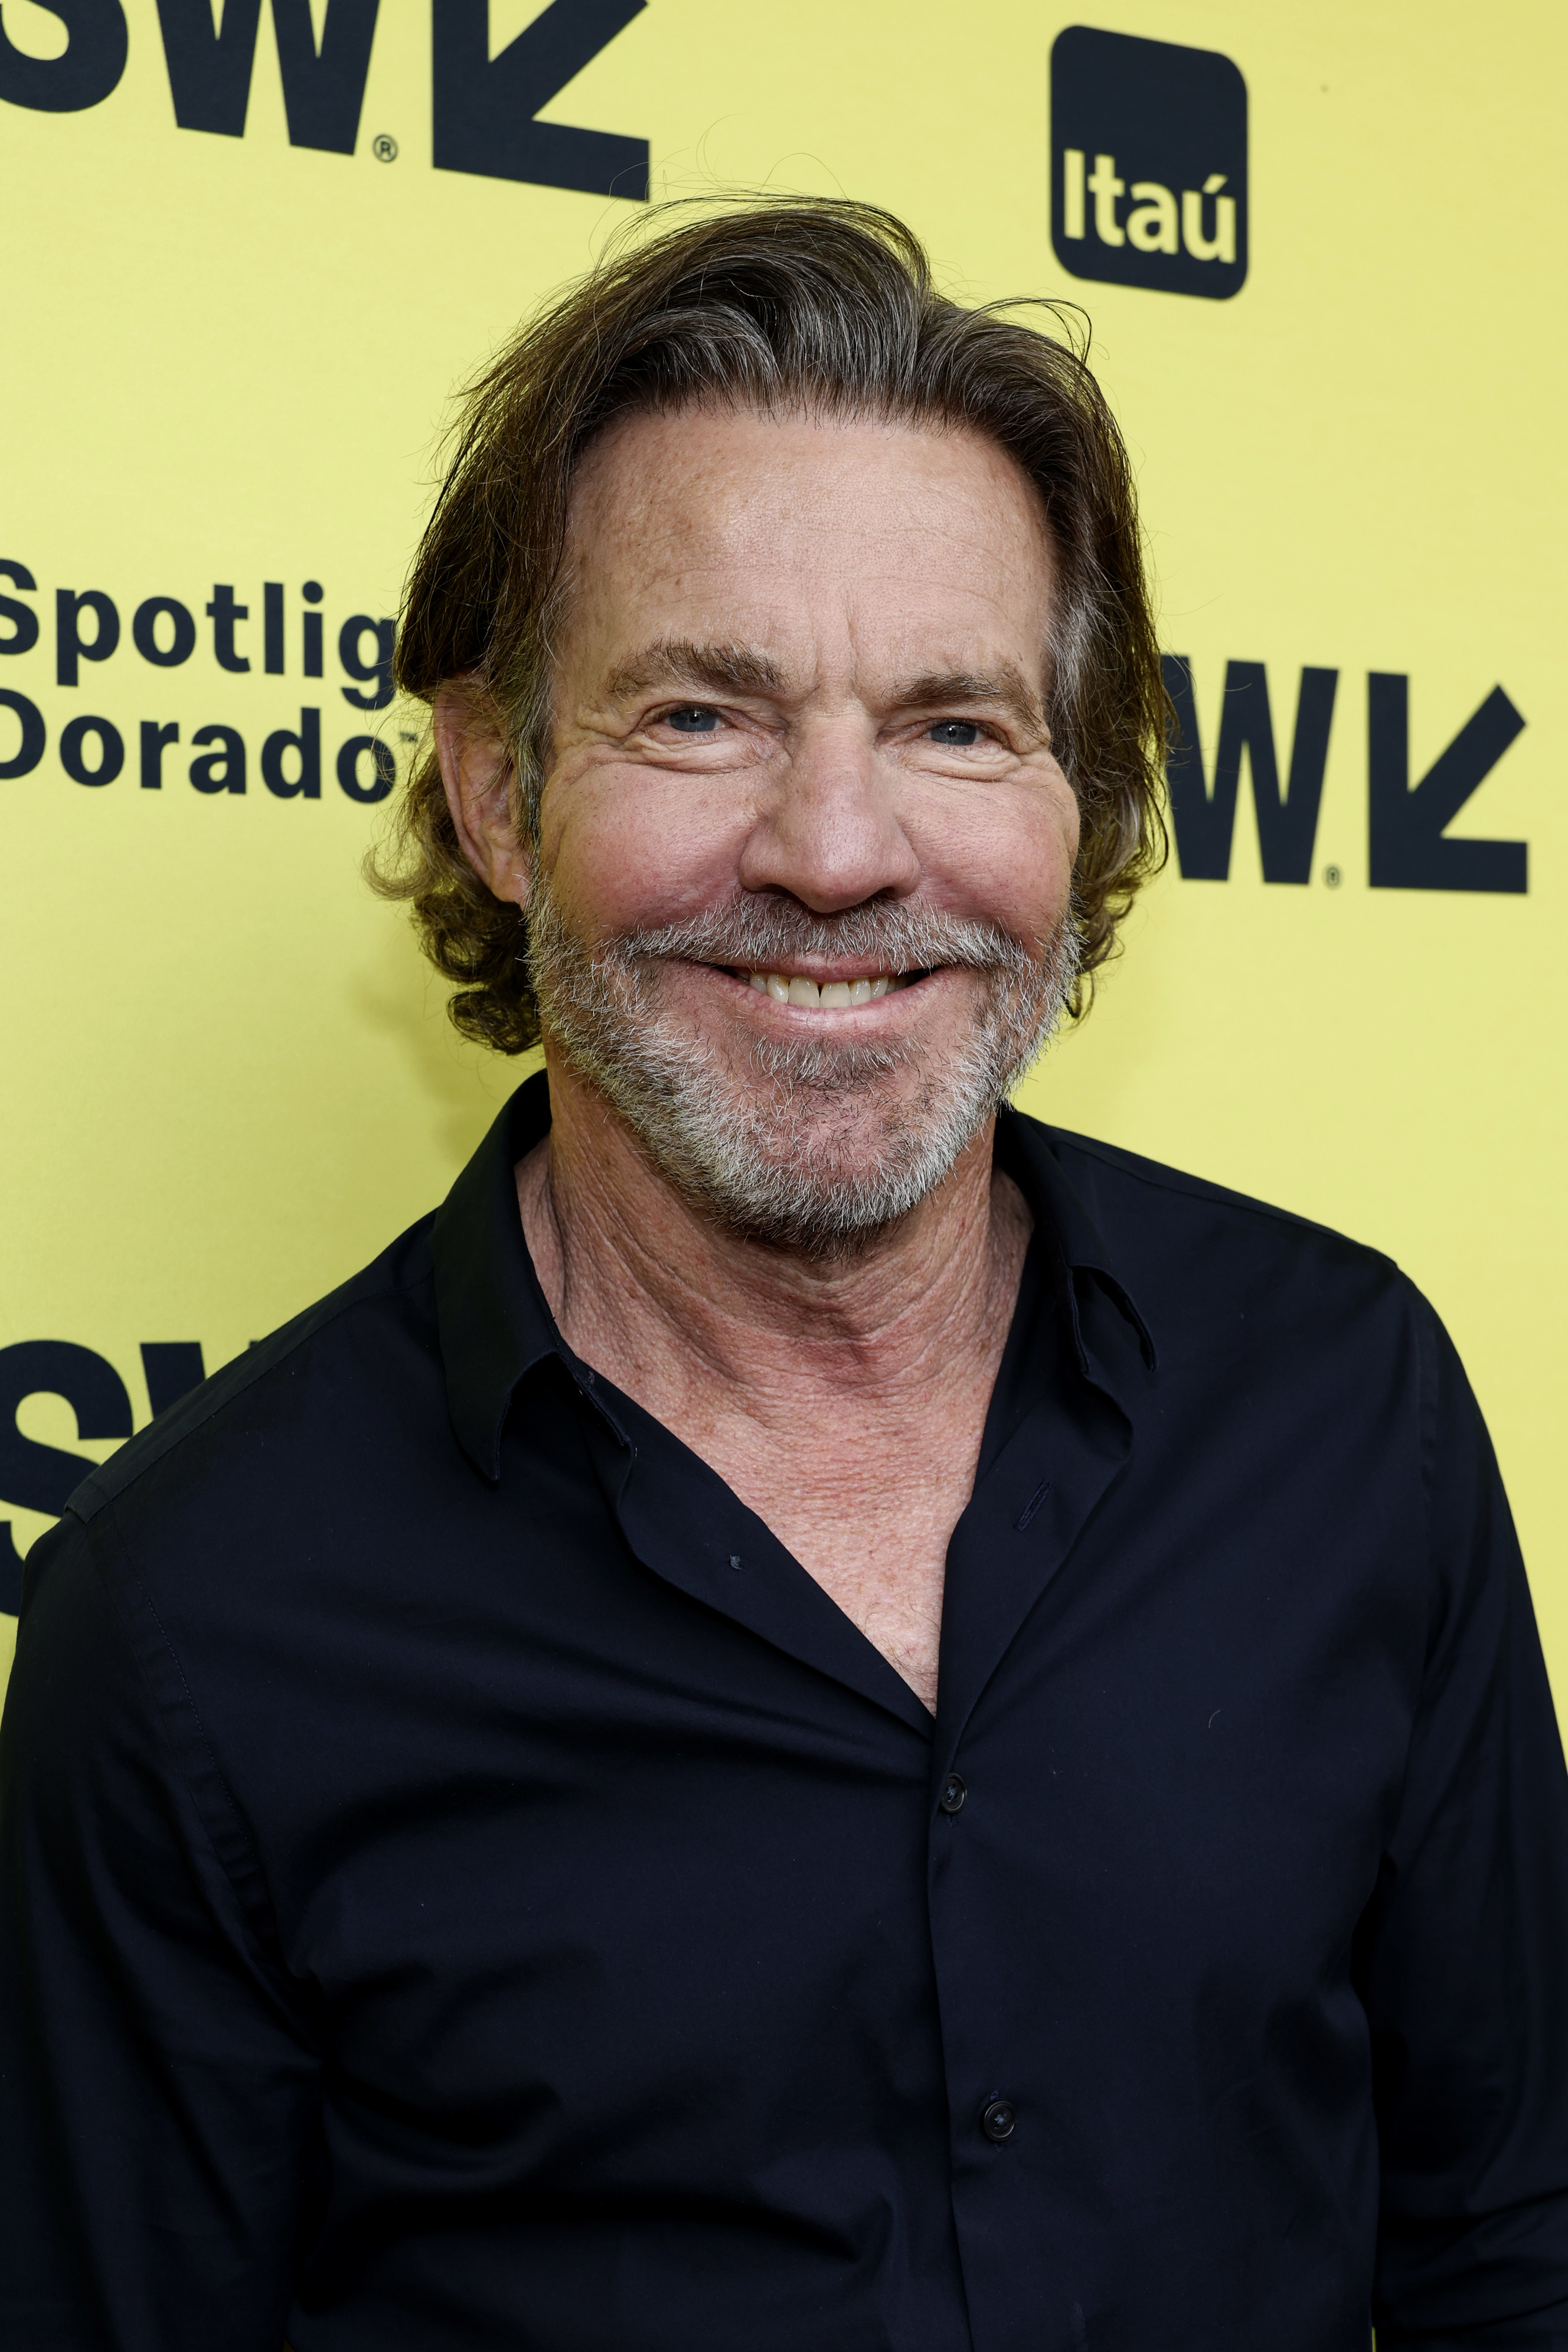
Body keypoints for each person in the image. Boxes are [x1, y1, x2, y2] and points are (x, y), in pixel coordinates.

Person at [2, 198, 1565, 2352]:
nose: (837, 854)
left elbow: (1514, 2238)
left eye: (954, 725)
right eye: (703, 715)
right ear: (494, 790)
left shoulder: (1344, 1401)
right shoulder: (189, 1626)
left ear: (1077, 807)